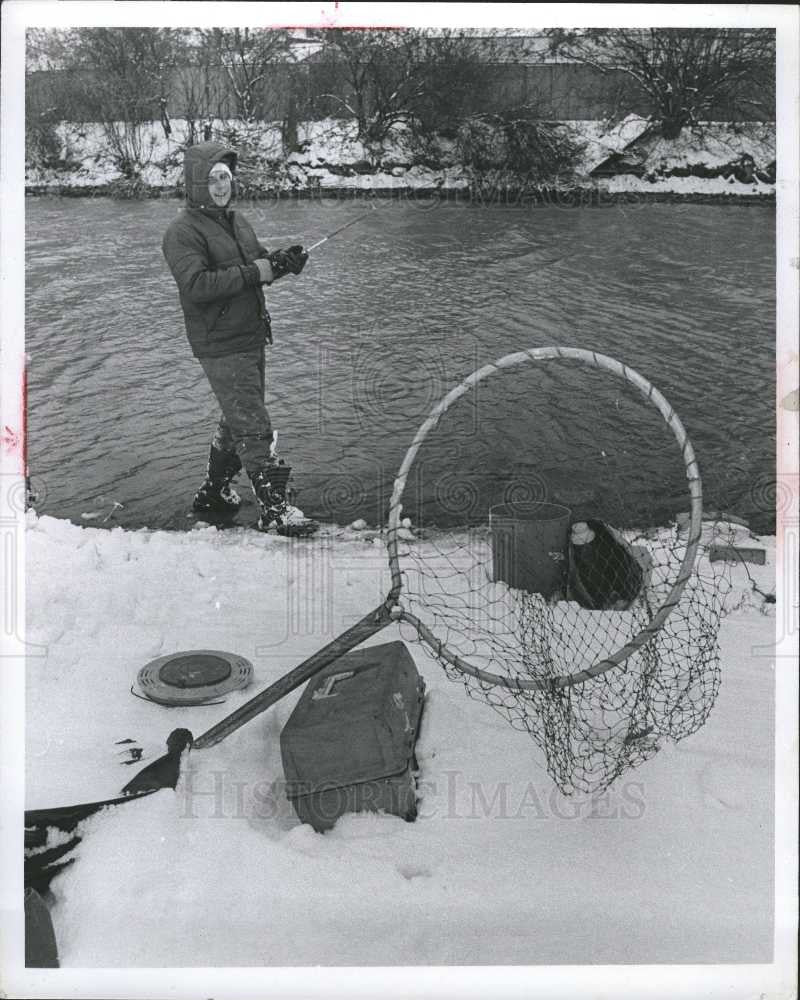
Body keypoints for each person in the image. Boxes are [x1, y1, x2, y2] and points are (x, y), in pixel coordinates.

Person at [162, 140, 318, 536]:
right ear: (197, 182)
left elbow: (257, 264)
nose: (221, 186)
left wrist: (283, 262)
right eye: (213, 178)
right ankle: (274, 509)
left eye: (226, 178)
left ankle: (213, 493)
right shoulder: (181, 232)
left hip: (250, 335)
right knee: (252, 424)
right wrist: (258, 272)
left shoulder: (236, 220)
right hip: (220, 343)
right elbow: (197, 285)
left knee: (238, 418)